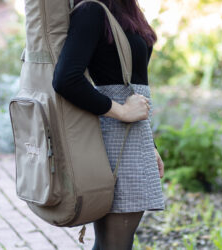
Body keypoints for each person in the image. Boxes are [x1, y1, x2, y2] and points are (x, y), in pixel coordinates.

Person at [52, 0, 165, 249]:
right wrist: (122, 111)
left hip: (133, 138)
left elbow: (135, 84)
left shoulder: (125, 9)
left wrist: (149, 144)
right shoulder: (91, 11)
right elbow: (65, 80)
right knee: (114, 244)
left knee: (112, 244)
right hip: (116, 138)